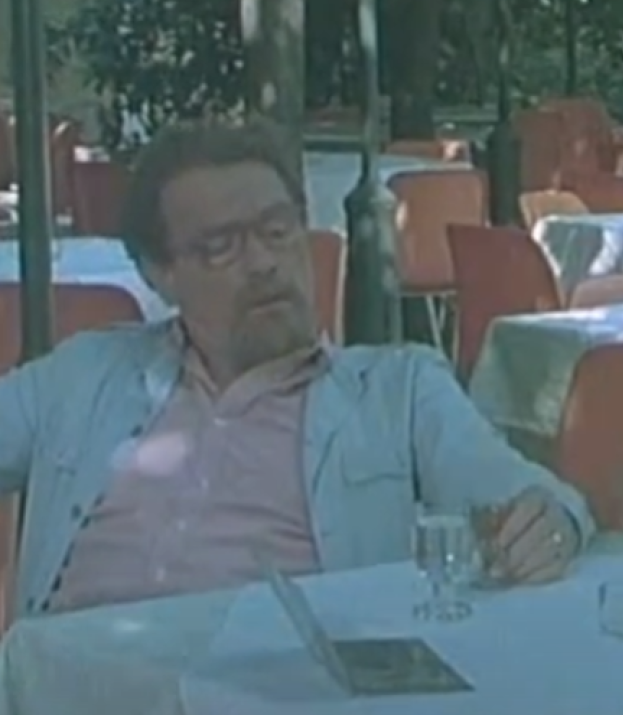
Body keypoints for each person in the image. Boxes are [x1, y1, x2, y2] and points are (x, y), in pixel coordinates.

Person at [0, 118, 593, 616]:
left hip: (278, 703)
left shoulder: (397, 390)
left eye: (278, 231)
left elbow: (523, 493)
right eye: (223, 247)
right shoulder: (86, 375)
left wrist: (550, 522)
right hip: (69, 692)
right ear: (160, 274)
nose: (264, 262)